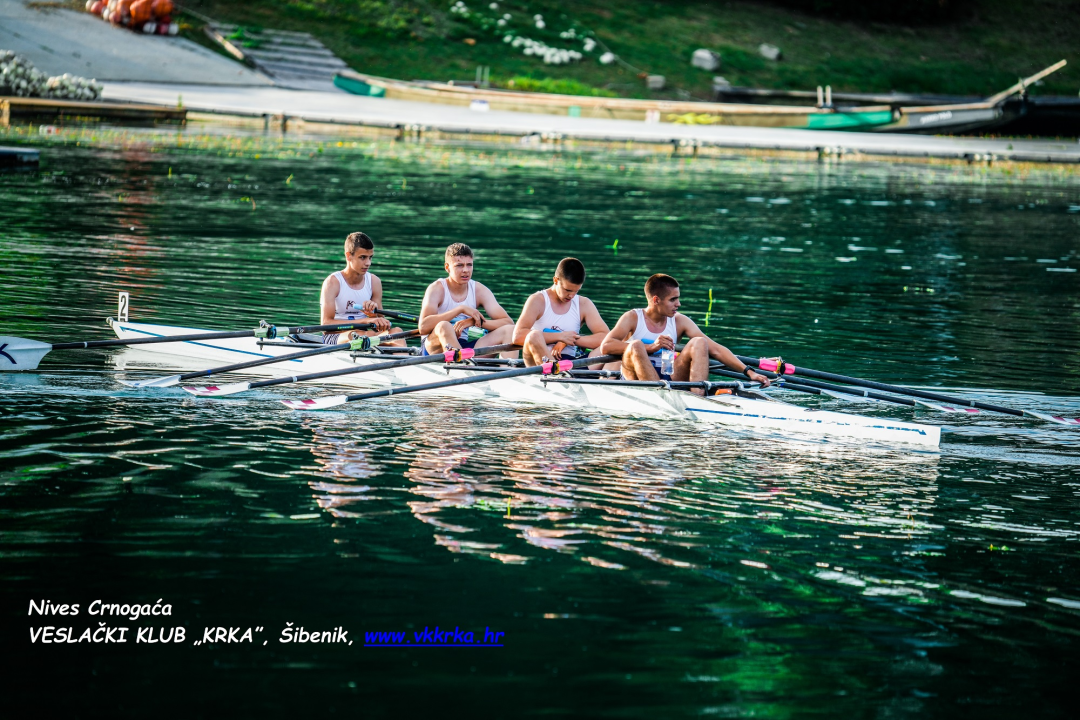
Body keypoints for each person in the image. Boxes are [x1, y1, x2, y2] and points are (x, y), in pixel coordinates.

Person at [600, 273, 771, 395]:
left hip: (668, 374)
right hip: (637, 379)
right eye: (673, 300)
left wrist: (750, 372)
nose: (678, 304)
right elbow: (606, 347)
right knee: (636, 345)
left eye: (678, 298)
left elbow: (716, 350)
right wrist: (650, 347)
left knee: (699, 342)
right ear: (656, 300)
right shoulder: (632, 317)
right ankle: (660, 394)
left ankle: (698, 397)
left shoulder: (679, 321)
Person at [512, 257, 615, 369]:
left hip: (570, 364)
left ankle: (564, 373)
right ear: (556, 280)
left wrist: (571, 340)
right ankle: (557, 372)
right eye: (568, 290)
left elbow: (606, 338)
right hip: (540, 362)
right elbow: (518, 336)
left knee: (616, 346)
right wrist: (560, 336)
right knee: (533, 335)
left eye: (576, 291)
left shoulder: (584, 304)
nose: (571, 296)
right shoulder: (537, 300)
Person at [418, 243, 515, 356]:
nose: (465, 270)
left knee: (510, 330)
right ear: (447, 267)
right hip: (435, 348)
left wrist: (475, 322)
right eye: (459, 265)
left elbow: (507, 322)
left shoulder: (479, 290)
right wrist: (460, 309)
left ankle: (508, 369)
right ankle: (463, 363)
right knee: (444, 326)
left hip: (468, 347)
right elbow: (423, 327)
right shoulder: (436, 289)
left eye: (469, 265)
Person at [320, 231, 403, 346]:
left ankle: (404, 361)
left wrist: (373, 316)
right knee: (357, 335)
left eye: (370, 257)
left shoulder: (374, 282)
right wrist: (365, 320)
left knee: (397, 332)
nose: (368, 263)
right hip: (337, 336)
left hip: (366, 335)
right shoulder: (332, 283)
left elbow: (381, 325)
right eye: (363, 257)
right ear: (348, 256)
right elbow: (326, 325)